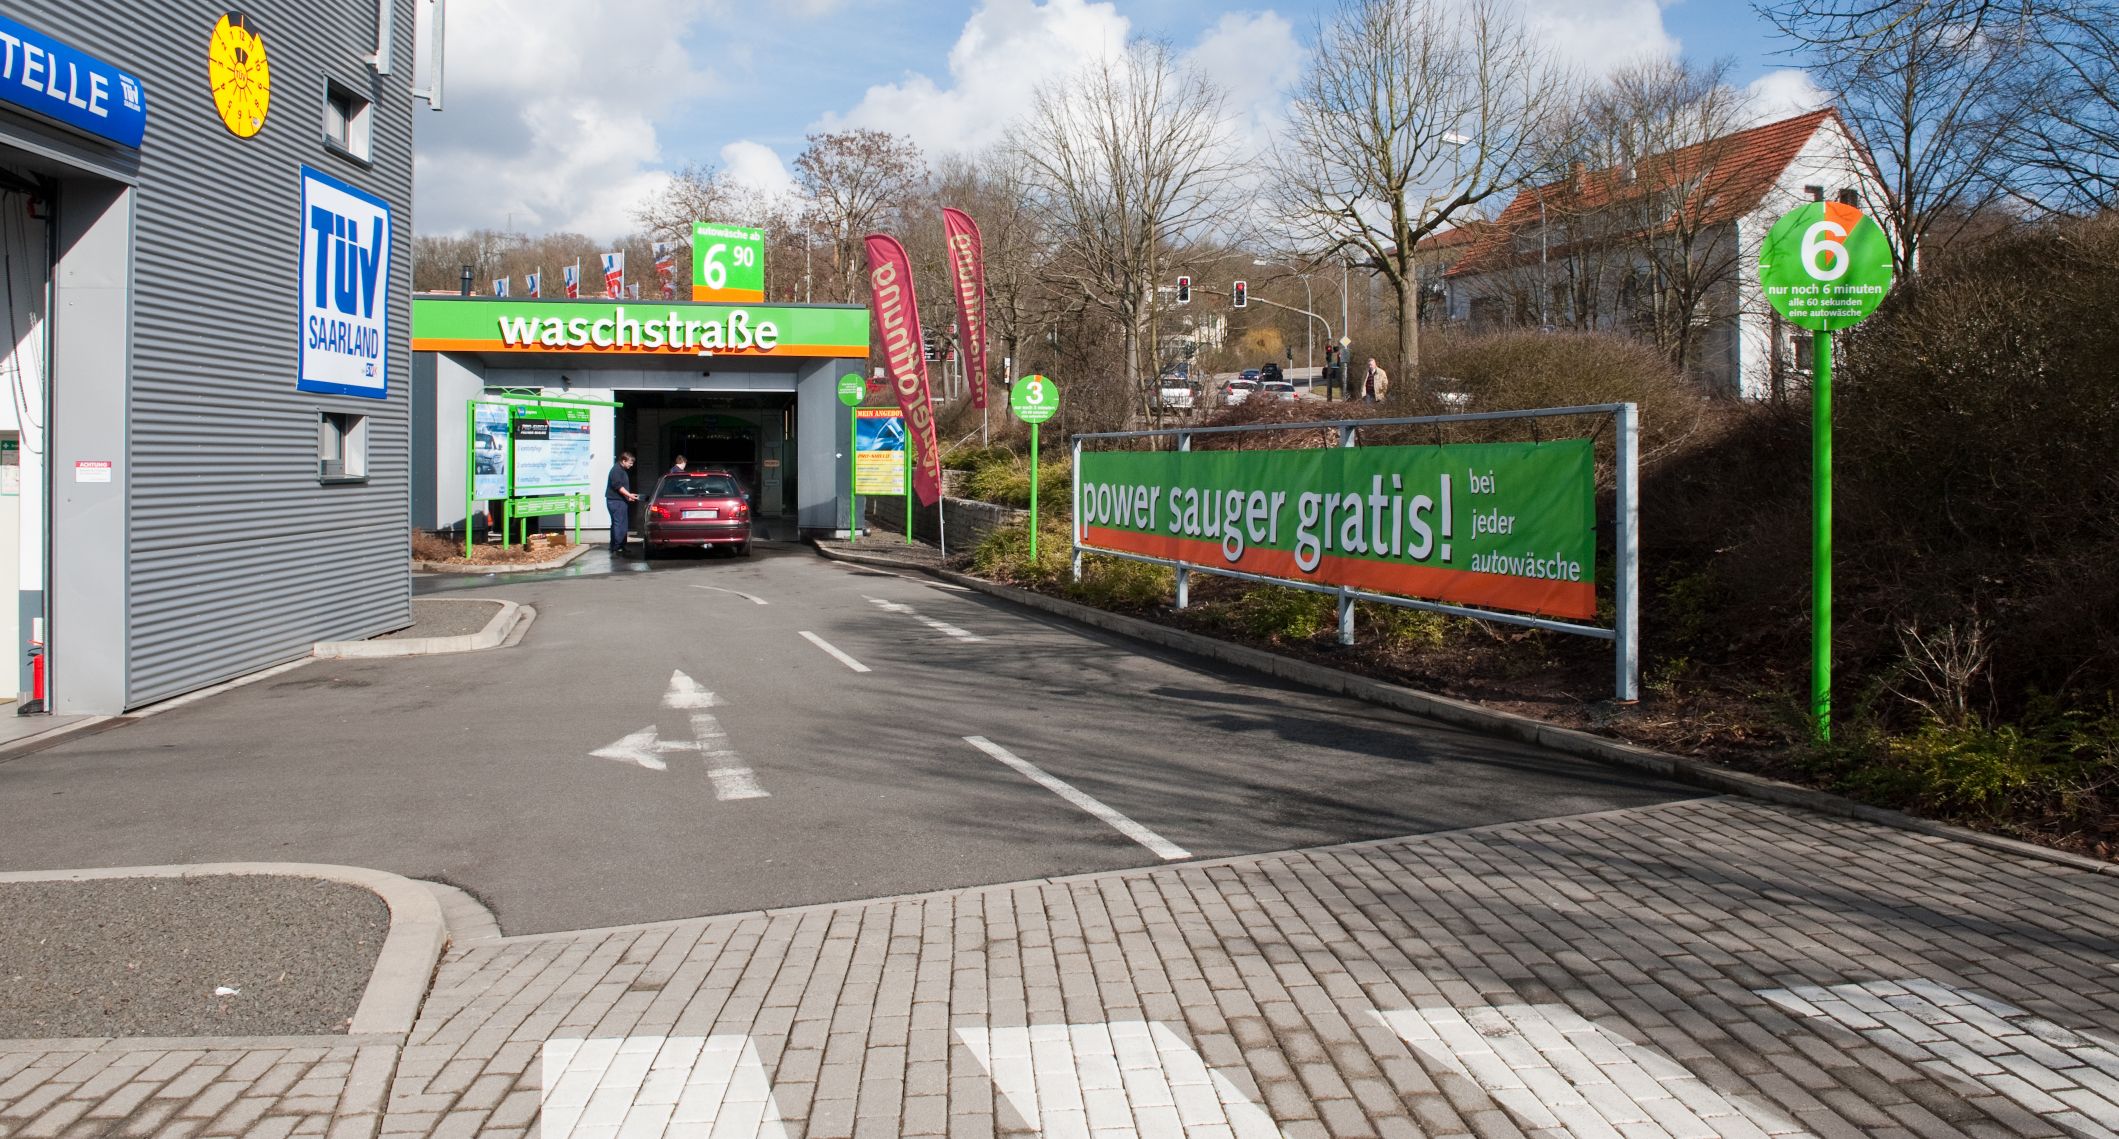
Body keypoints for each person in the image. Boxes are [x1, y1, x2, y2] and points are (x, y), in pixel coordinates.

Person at [605, 451, 639, 554]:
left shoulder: (622, 469)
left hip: (620, 500)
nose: (631, 465)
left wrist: (627, 496)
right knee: (619, 524)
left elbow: (621, 488)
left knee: (622, 524)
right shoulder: (616, 470)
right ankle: (616, 546)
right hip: (615, 502)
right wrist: (629, 495)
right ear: (623, 461)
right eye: (630, 463)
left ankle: (621, 545)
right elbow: (618, 486)